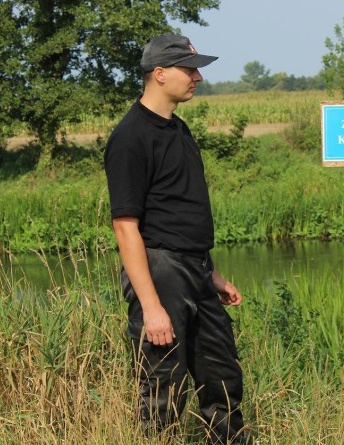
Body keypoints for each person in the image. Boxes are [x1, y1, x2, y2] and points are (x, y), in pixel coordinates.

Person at [104, 34, 254, 444]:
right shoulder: (131, 137)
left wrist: (213, 274)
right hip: (161, 272)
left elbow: (182, 211)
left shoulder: (179, 130)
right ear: (159, 73)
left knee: (222, 379)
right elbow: (125, 227)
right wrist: (152, 308)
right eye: (190, 70)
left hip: (196, 269)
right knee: (163, 390)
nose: (198, 77)